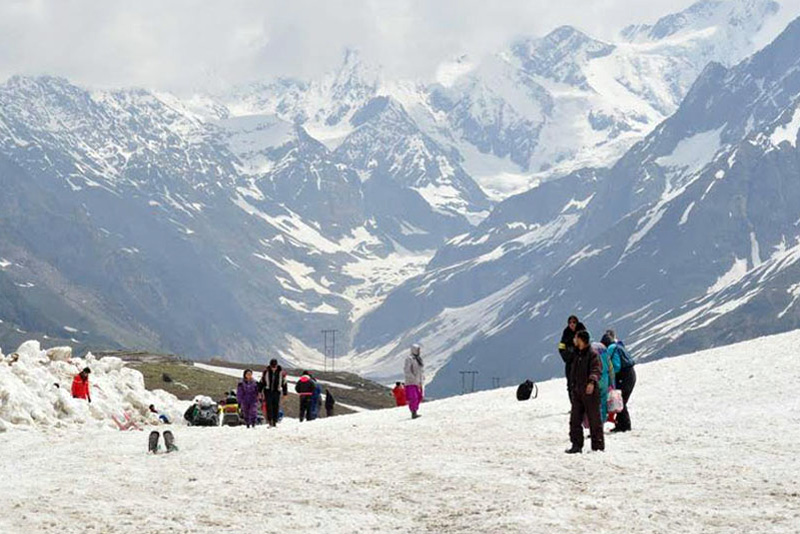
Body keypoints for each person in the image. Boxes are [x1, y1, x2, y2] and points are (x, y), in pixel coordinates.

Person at [566, 330, 604, 454]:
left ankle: (597, 446)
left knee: (594, 420)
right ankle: (576, 445)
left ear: (581, 340)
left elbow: (596, 369)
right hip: (577, 392)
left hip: (590, 392)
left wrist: (591, 382)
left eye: (576, 338)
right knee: (575, 419)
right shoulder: (578, 354)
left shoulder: (592, 354)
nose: (574, 340)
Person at [602, 330, 637, 433]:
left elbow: (616, 366)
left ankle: (624, 426)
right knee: (622, 400)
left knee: (620, 400)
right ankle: (621, 424)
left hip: (624, 376)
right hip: (631, 374)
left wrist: (609, 373)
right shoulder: (619, 346)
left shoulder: (611, 349)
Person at [558, 316, 586, 400]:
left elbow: (587, 345)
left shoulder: (583, 331)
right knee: (571, 384)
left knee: (582, 383)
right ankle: (574, 405)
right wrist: (566, 355)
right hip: (570, 362)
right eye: (570, 323)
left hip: (581, 361)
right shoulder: (566, 333)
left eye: (574, 322)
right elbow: (561, 346)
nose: (572, 324)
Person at [591, 340, 615, 424]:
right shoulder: (603, 347)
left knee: (594, 403)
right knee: (603, 401)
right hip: (605, 378)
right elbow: (610, 366)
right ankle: (601, 423)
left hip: (595, 378)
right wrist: (612, 382)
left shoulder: (590, 349)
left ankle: (596, 425)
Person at [259, 359, 288, 427]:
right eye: (272, 367)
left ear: (277, 365)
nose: (273, 368)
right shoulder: (266, 372)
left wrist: (285, 393)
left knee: (276, 406)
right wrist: (259, 391)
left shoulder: (281, 373)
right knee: (269, 406)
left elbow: (284, 383)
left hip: (277, 391)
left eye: (274, 367)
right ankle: (270, 421)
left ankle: (275, 421)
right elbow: (262, 382)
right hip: (268, 391)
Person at [404, 345, 424, 419]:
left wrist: (421, 380)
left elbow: (420, 371)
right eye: (418, 350)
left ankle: (415, 410)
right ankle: (413, 412)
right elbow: (407, 370)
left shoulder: (419, 359)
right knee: (414, 397)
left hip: (418, 382)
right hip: (411, 382)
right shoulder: (409, 359)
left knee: (419, 397)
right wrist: (413, 378)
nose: (419, 351)